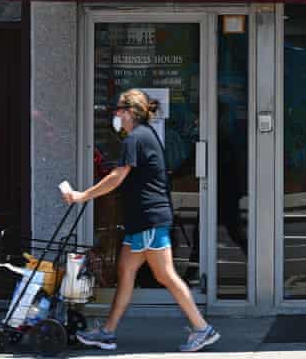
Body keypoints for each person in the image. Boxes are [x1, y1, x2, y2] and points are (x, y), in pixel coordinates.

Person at [61, 89, 220, 353]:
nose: (116, 116)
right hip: (142, 221)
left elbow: (117, 176)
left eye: (119, 111)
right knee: (125, 272)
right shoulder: (144, 136)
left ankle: (202, 328)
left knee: (165, 275)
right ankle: (107, 333)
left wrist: (83, 196)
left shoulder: (135, 138)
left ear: (129, 113)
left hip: (148, 219)